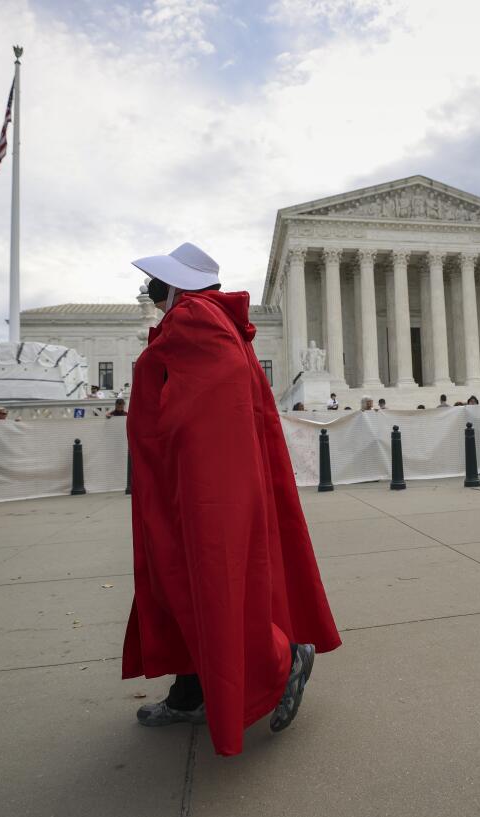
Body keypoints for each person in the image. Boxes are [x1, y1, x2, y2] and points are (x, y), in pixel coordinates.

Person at [125, 242, 339, 756]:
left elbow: (200, 401)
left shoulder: (195, 317)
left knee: (203, 581)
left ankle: (282, 659)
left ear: (176, 285)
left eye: (159, 286)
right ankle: (189, 692)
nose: (153, 296)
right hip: (187, 476)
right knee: (180, 586)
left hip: (196, 483)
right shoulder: (216, 321)